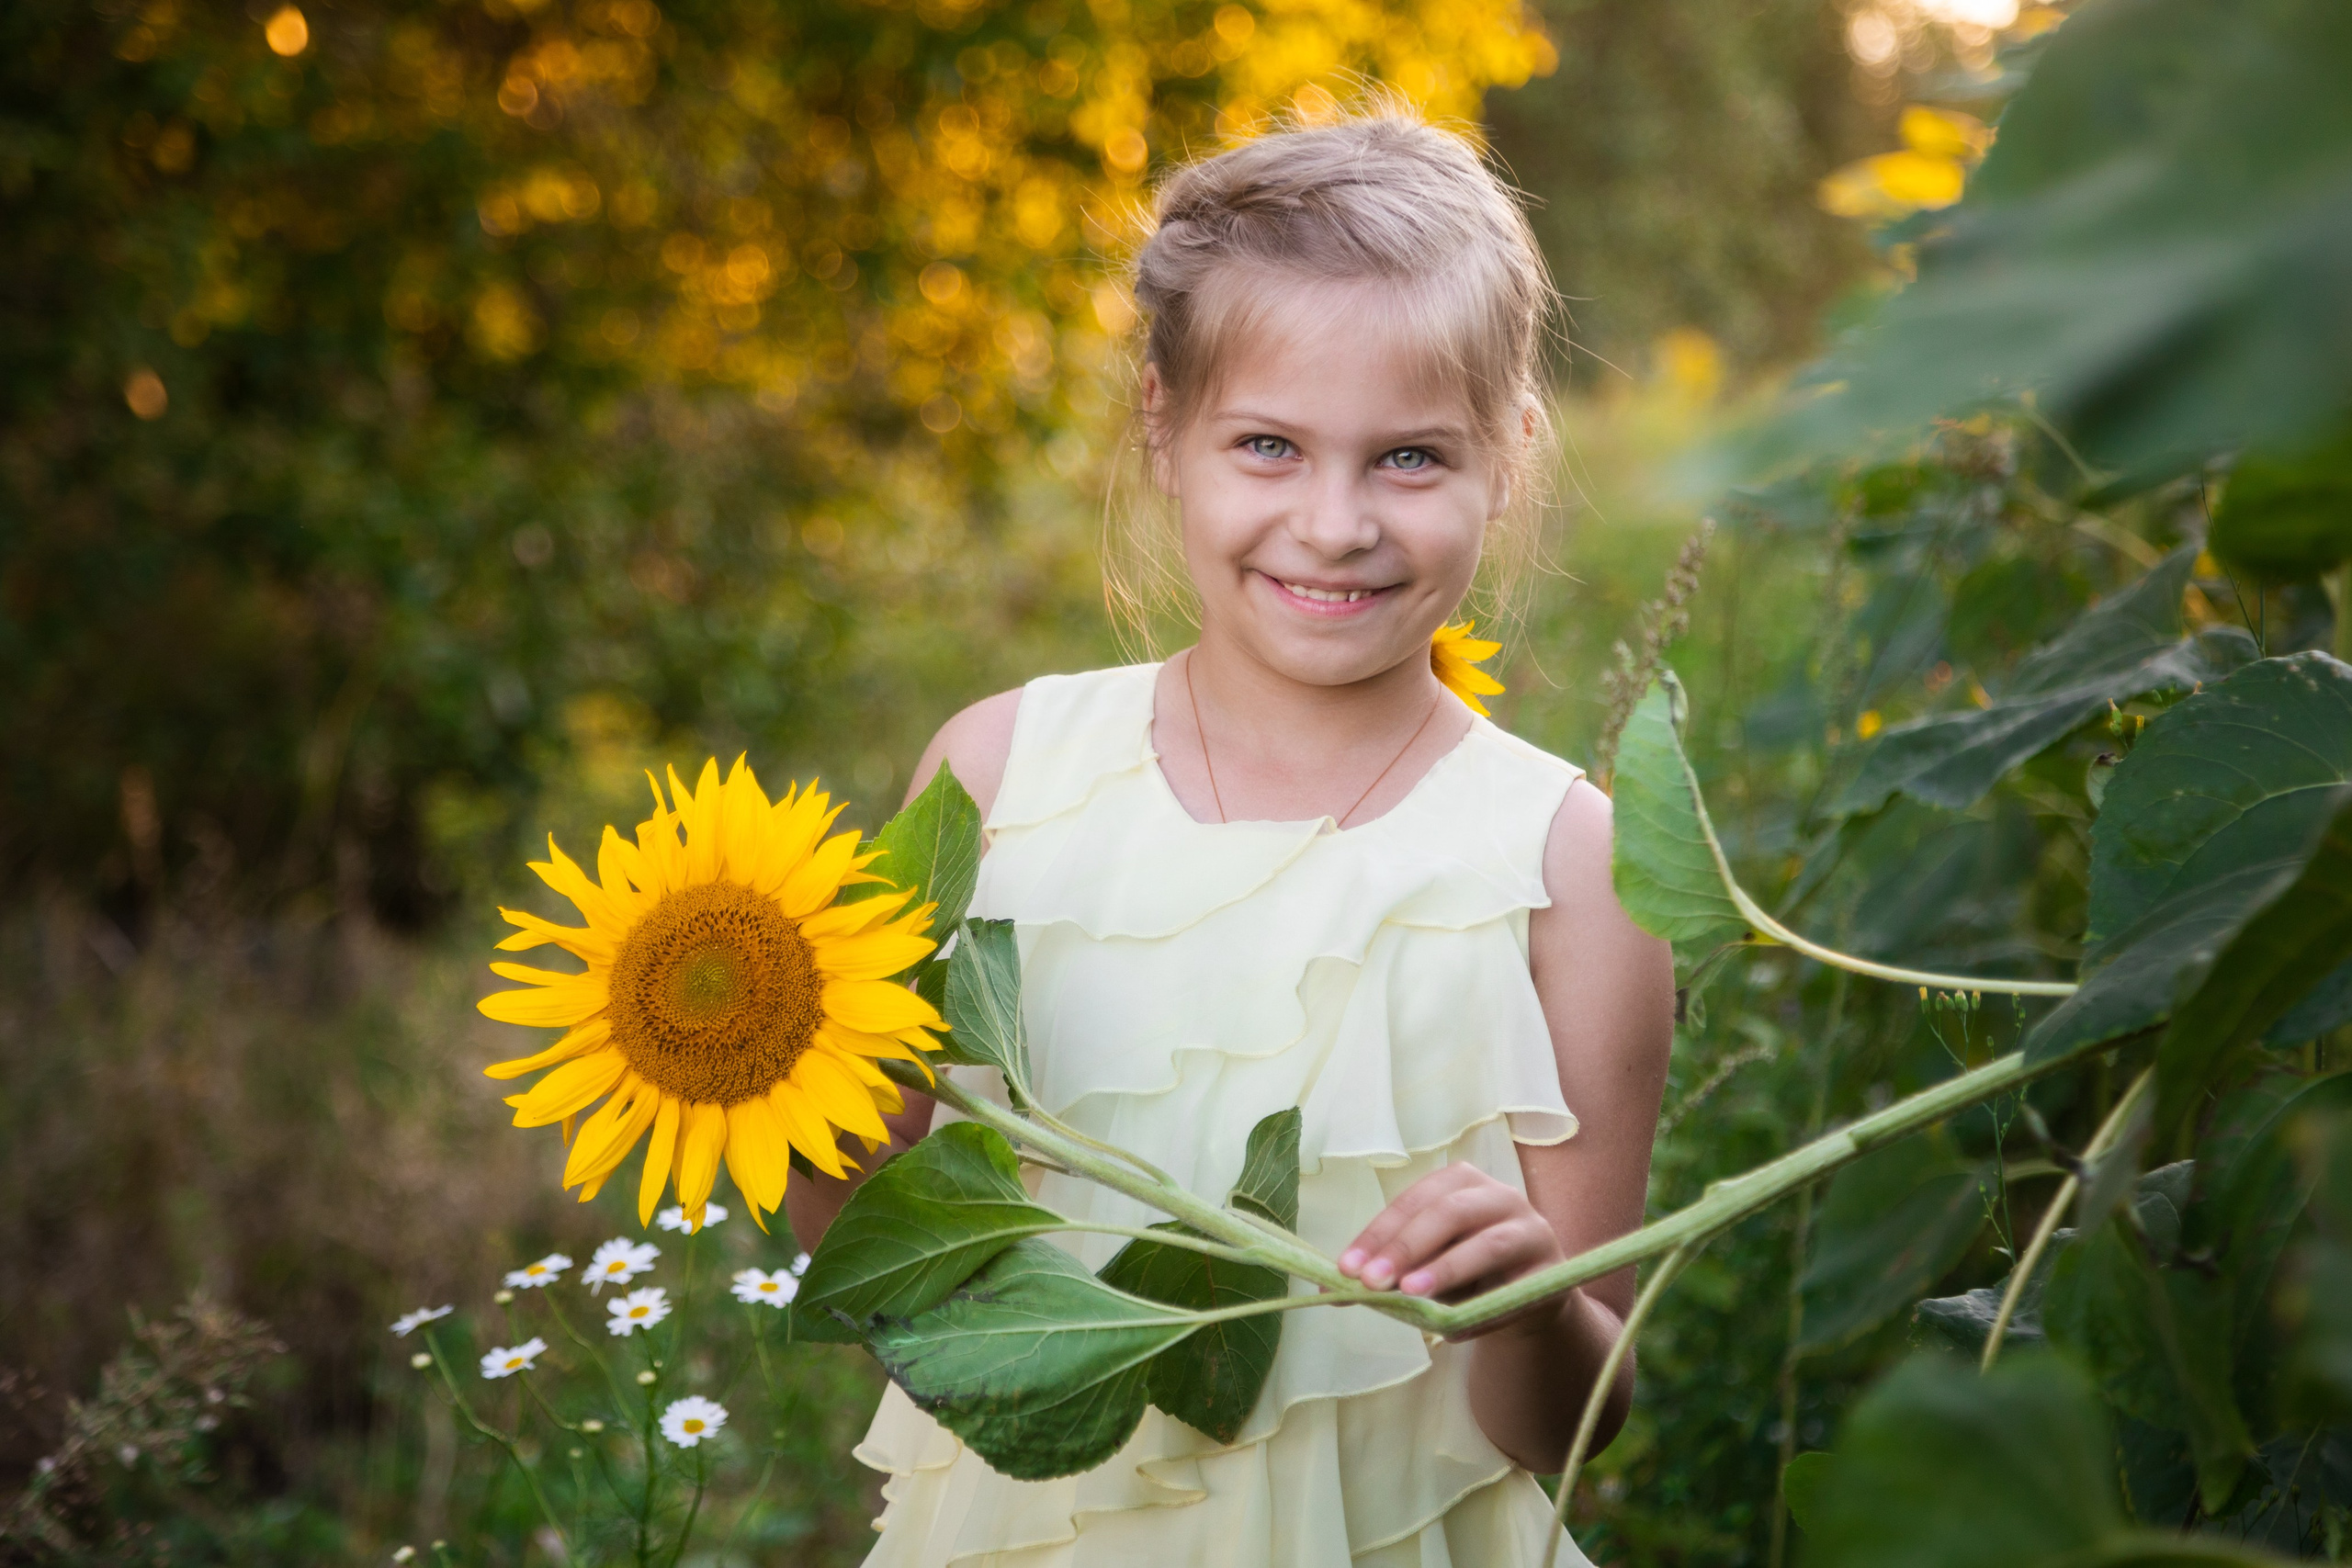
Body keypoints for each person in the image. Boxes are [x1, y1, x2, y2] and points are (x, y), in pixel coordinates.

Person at [784, 104, 1675, 1567]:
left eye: (1409, 459)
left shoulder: (1573, 872)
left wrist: (1530, 1304)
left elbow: (1575, 1425)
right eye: (1268, 445)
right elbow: (894, 1276)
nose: (1332, 525)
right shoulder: (996, 777)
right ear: (1163, 424)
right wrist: (769, 1094)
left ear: (1510, 455)